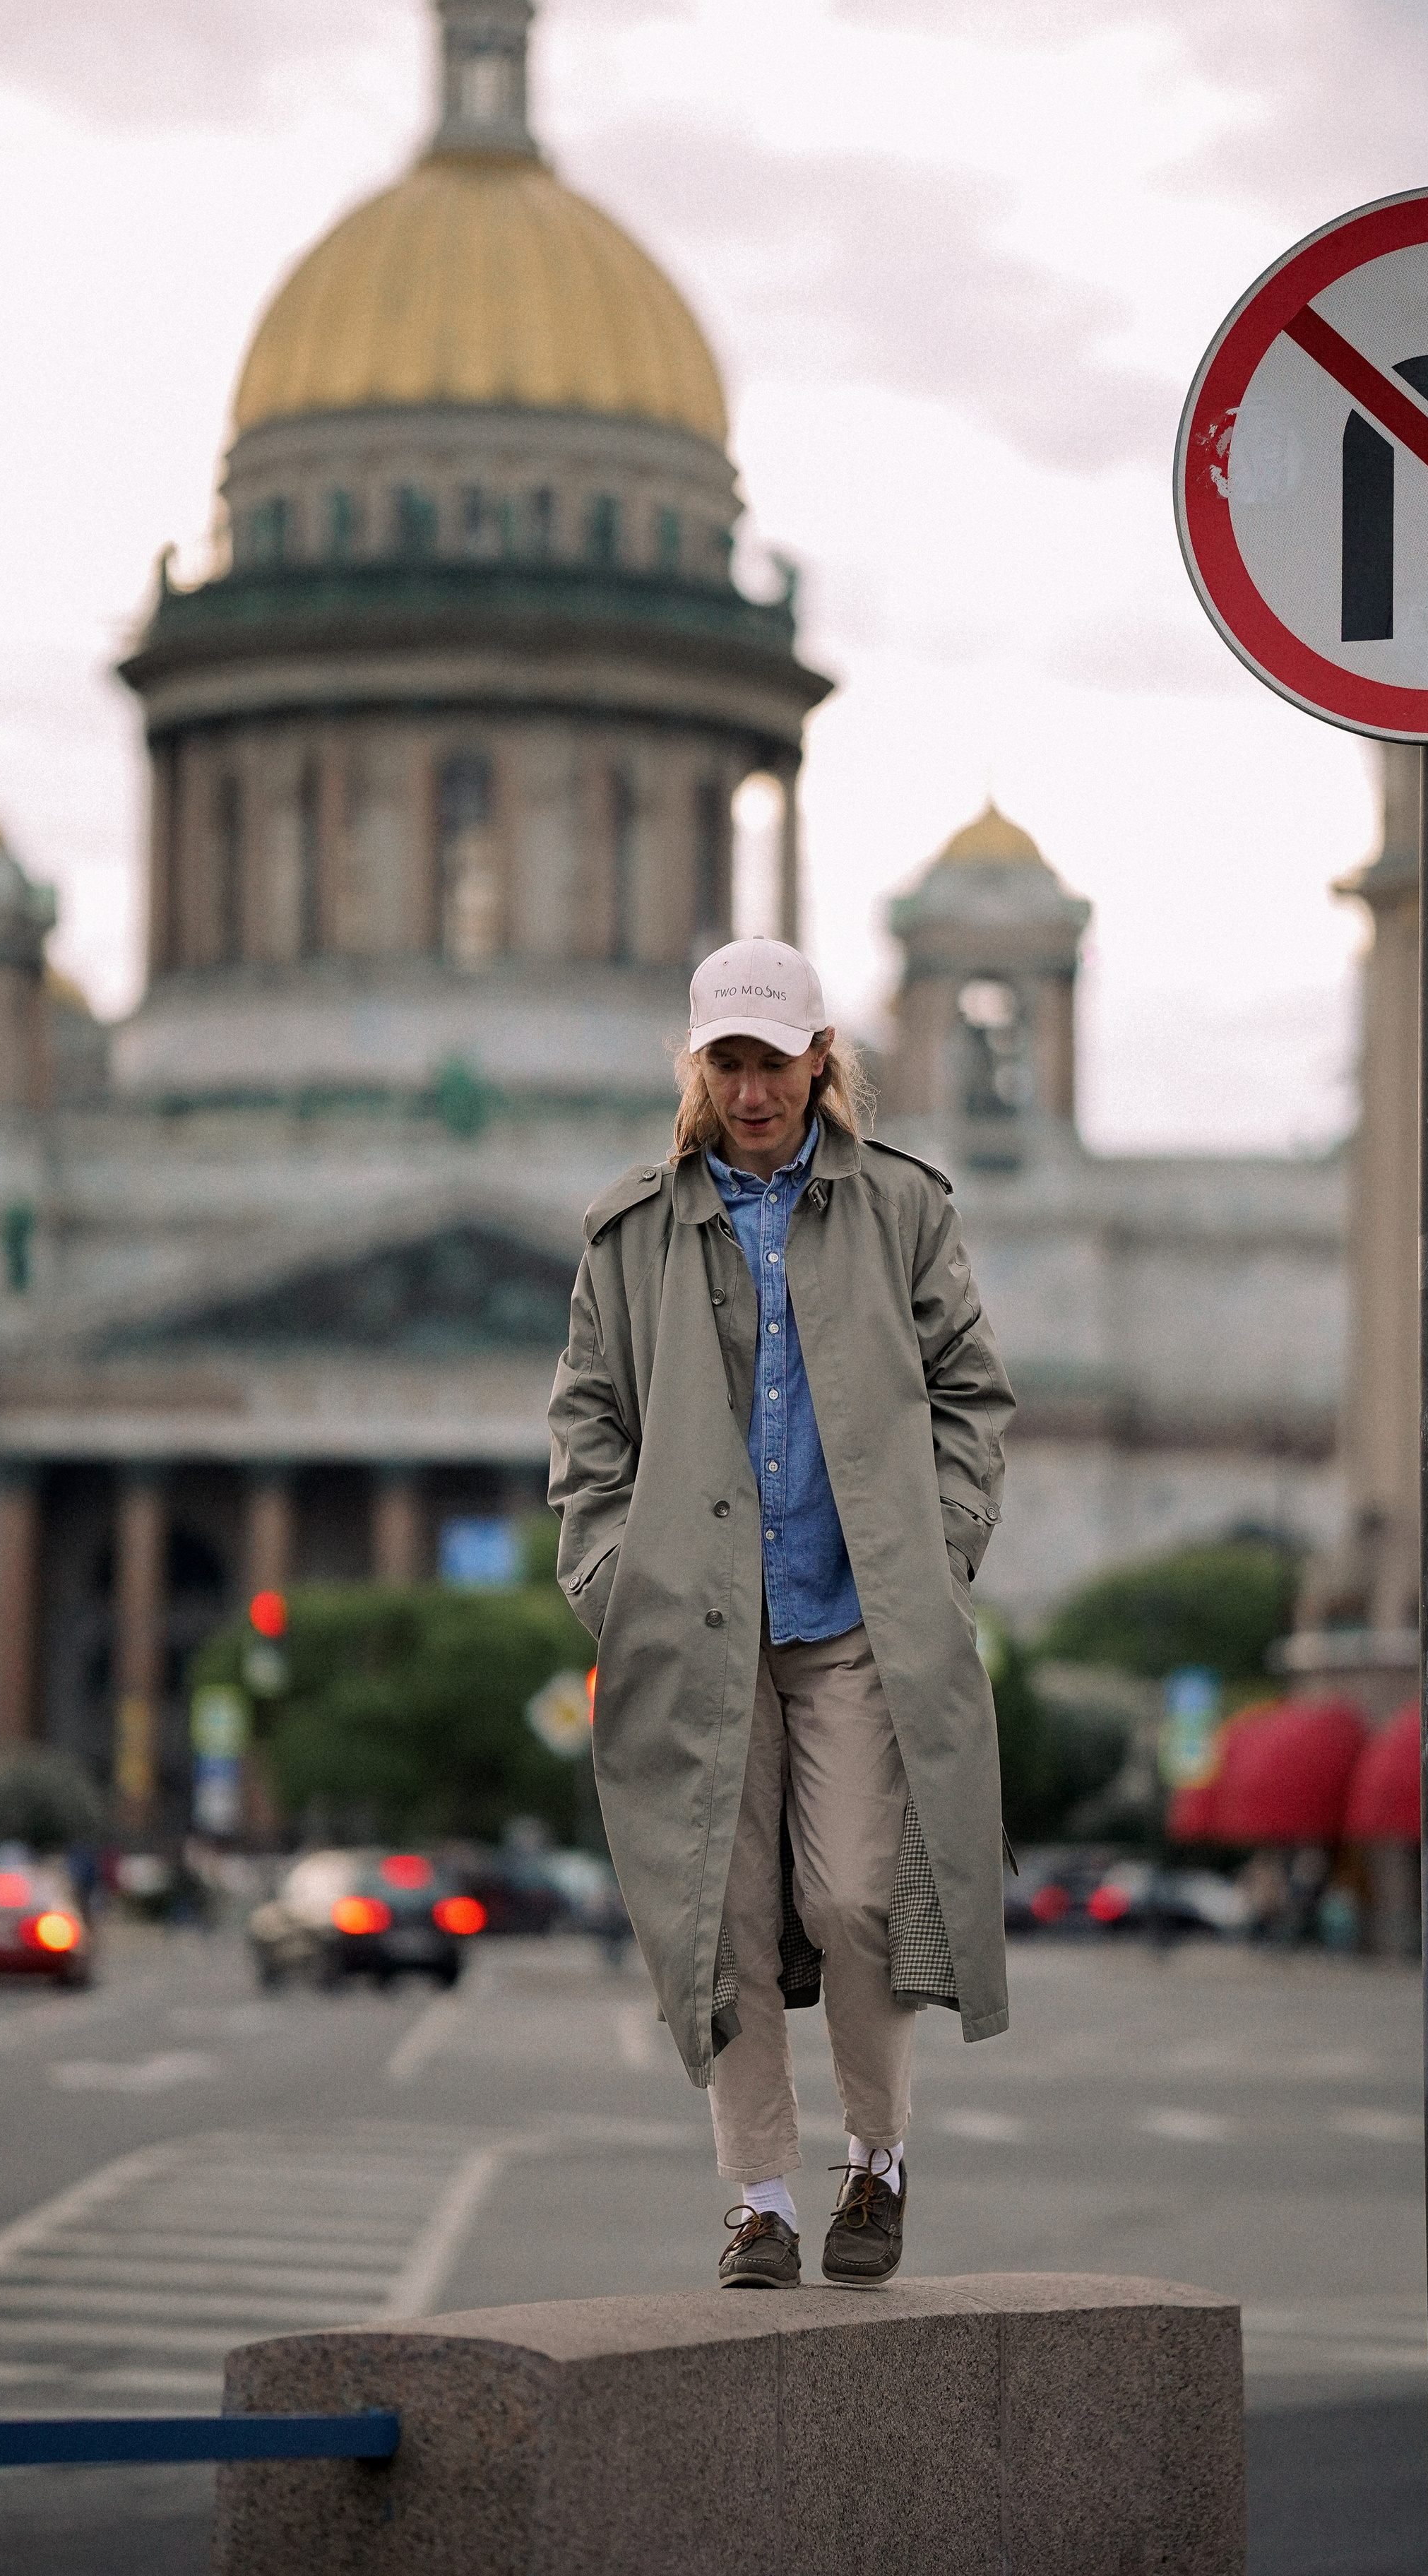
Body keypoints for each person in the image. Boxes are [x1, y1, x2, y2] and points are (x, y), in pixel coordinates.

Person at [549, 936, 1015, 2288]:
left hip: (858, 1616)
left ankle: (875, 2161)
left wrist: (944, 1549)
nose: (754, 1089)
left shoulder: (904, 1210)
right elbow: (586, 1425)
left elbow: (972, 1393)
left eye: (776, 1060)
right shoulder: (630, 1233)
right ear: (700, 1070)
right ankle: (760, 2197)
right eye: (730, 1063)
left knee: (860, 1895)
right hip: (697, 1628)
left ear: (823, 1061)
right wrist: (607, 1581)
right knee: (723, 1918)